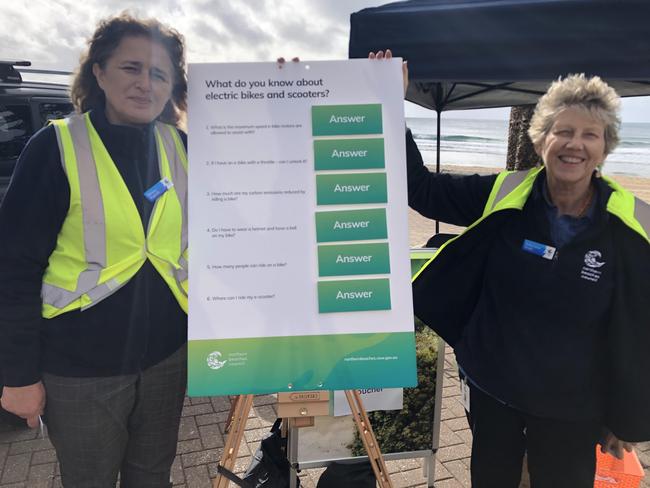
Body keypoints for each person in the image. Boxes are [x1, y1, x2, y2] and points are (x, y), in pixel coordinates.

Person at [371, 50, 650, 487]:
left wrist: (626, 416)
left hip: (573, 409)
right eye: (563, 131)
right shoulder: (507, 193)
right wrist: (390, 104)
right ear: (542, 141)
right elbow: (421, 190)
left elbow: (638, 326)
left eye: (589, 134)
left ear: (605, 146)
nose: (575, 144)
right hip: (493, 391)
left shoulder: (630, 224)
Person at [0, 14, 189, 487]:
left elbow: (264, 183)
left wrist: (283, 88)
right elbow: (14, 269)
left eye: (159, 73)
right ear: (99, 73)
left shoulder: (183, 146)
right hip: (81, 371)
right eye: (131, 67)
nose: (145, 83)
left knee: (153, 477)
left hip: (168, 357)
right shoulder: (56, 146)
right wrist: (18, 376)